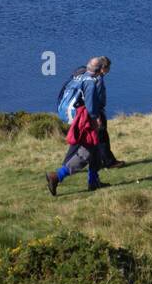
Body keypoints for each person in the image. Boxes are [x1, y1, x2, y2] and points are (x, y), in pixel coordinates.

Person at [46, 56, 121, 195]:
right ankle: (57, 176)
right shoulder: (92, 82)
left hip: (75, 116)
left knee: (96, 150)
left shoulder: (80, 75)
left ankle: (94, 181)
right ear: (100, 70)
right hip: (85, 119)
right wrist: (96, 119)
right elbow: (91, 106)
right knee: (87, 152)